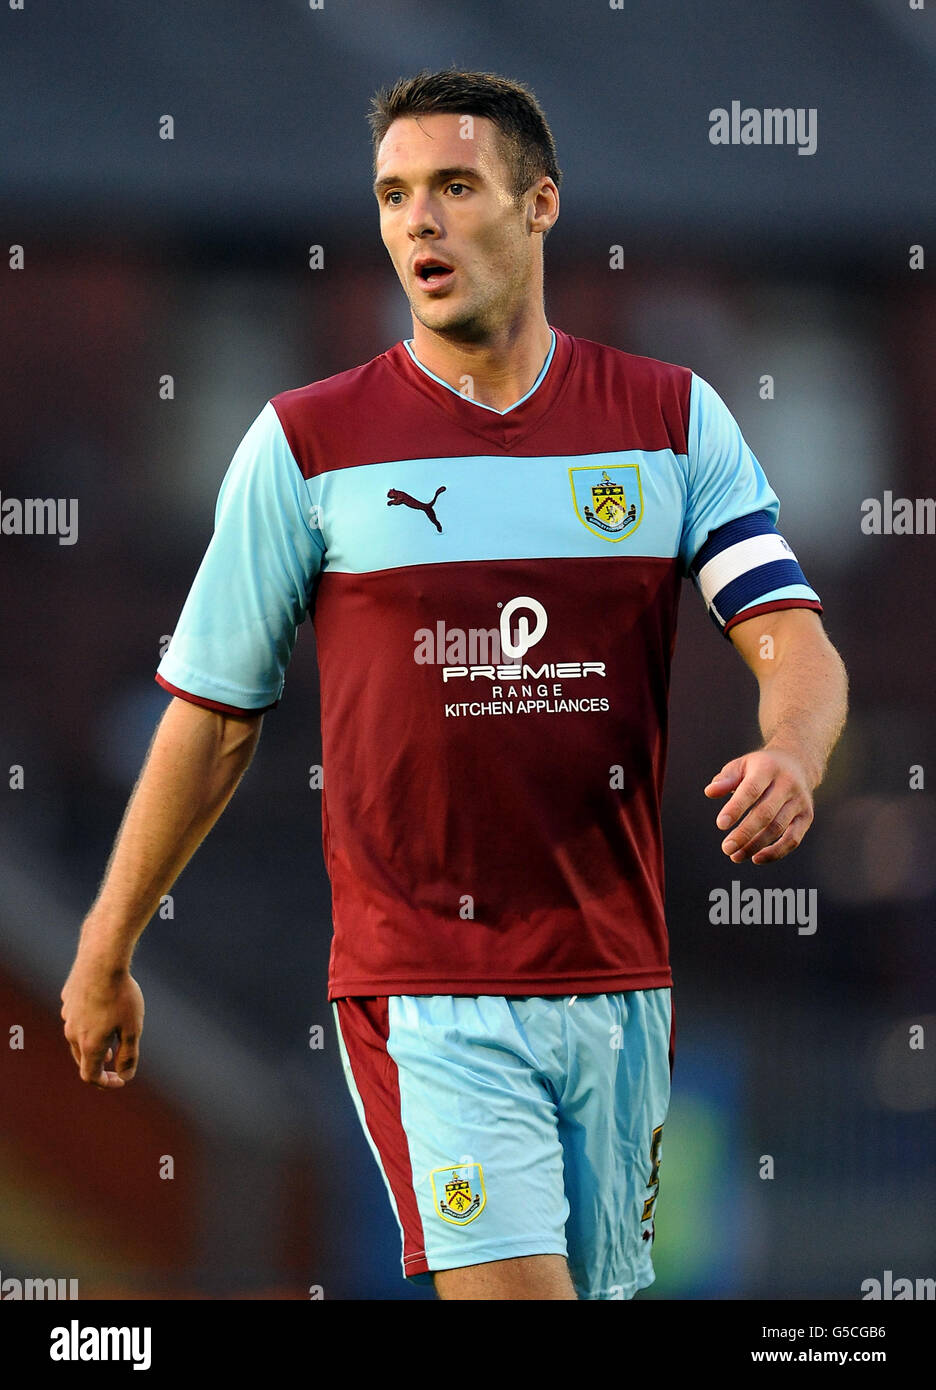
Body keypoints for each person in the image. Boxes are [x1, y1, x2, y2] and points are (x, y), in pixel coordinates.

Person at [61, 67, 848, 1301]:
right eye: (393, 195)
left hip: (619, 979)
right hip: (429, 986)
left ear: (540, 204)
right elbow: (211, 718)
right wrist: (106, 946)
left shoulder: (669, 422)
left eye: (454, 187)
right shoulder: (306, 445)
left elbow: (790, 634)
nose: (417, 221)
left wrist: (794, 752)